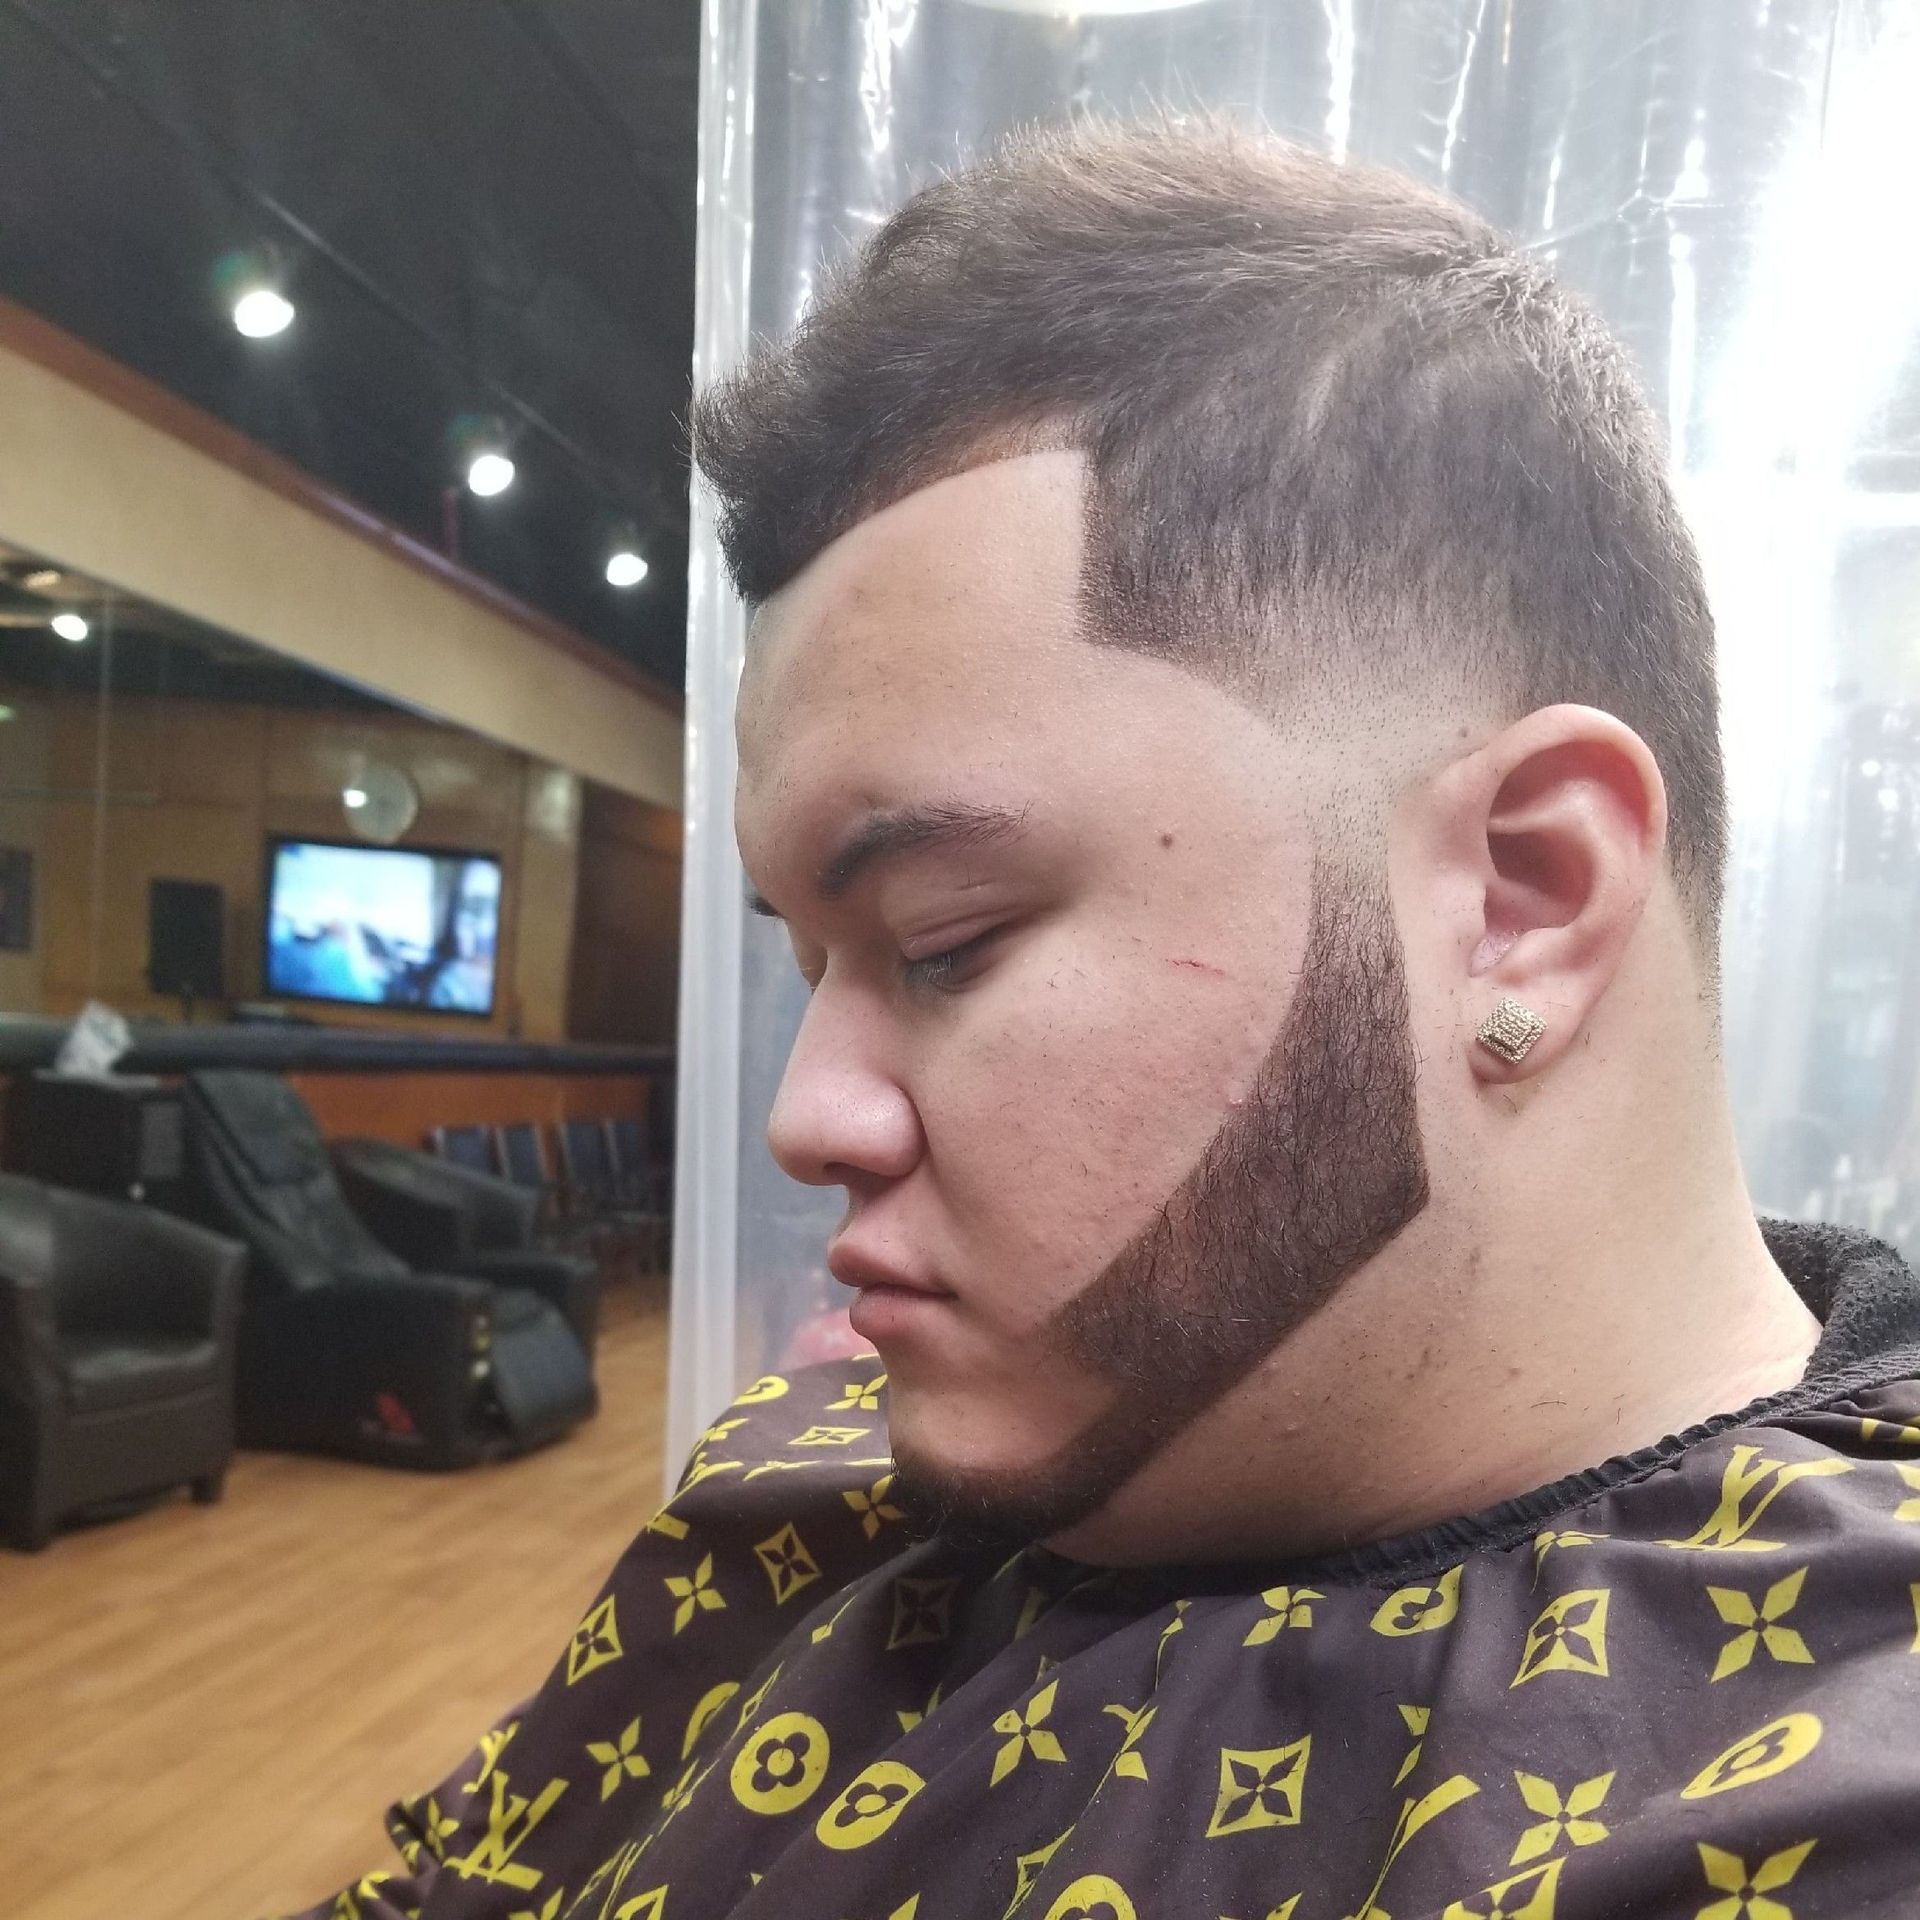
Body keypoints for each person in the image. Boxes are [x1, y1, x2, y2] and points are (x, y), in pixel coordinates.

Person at [288, 120, 1920, 1920]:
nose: (806, 1116)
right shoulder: (816, 1486)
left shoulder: (1838, 1791)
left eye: (949, 938)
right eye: (810, 958)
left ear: (1518, 900)